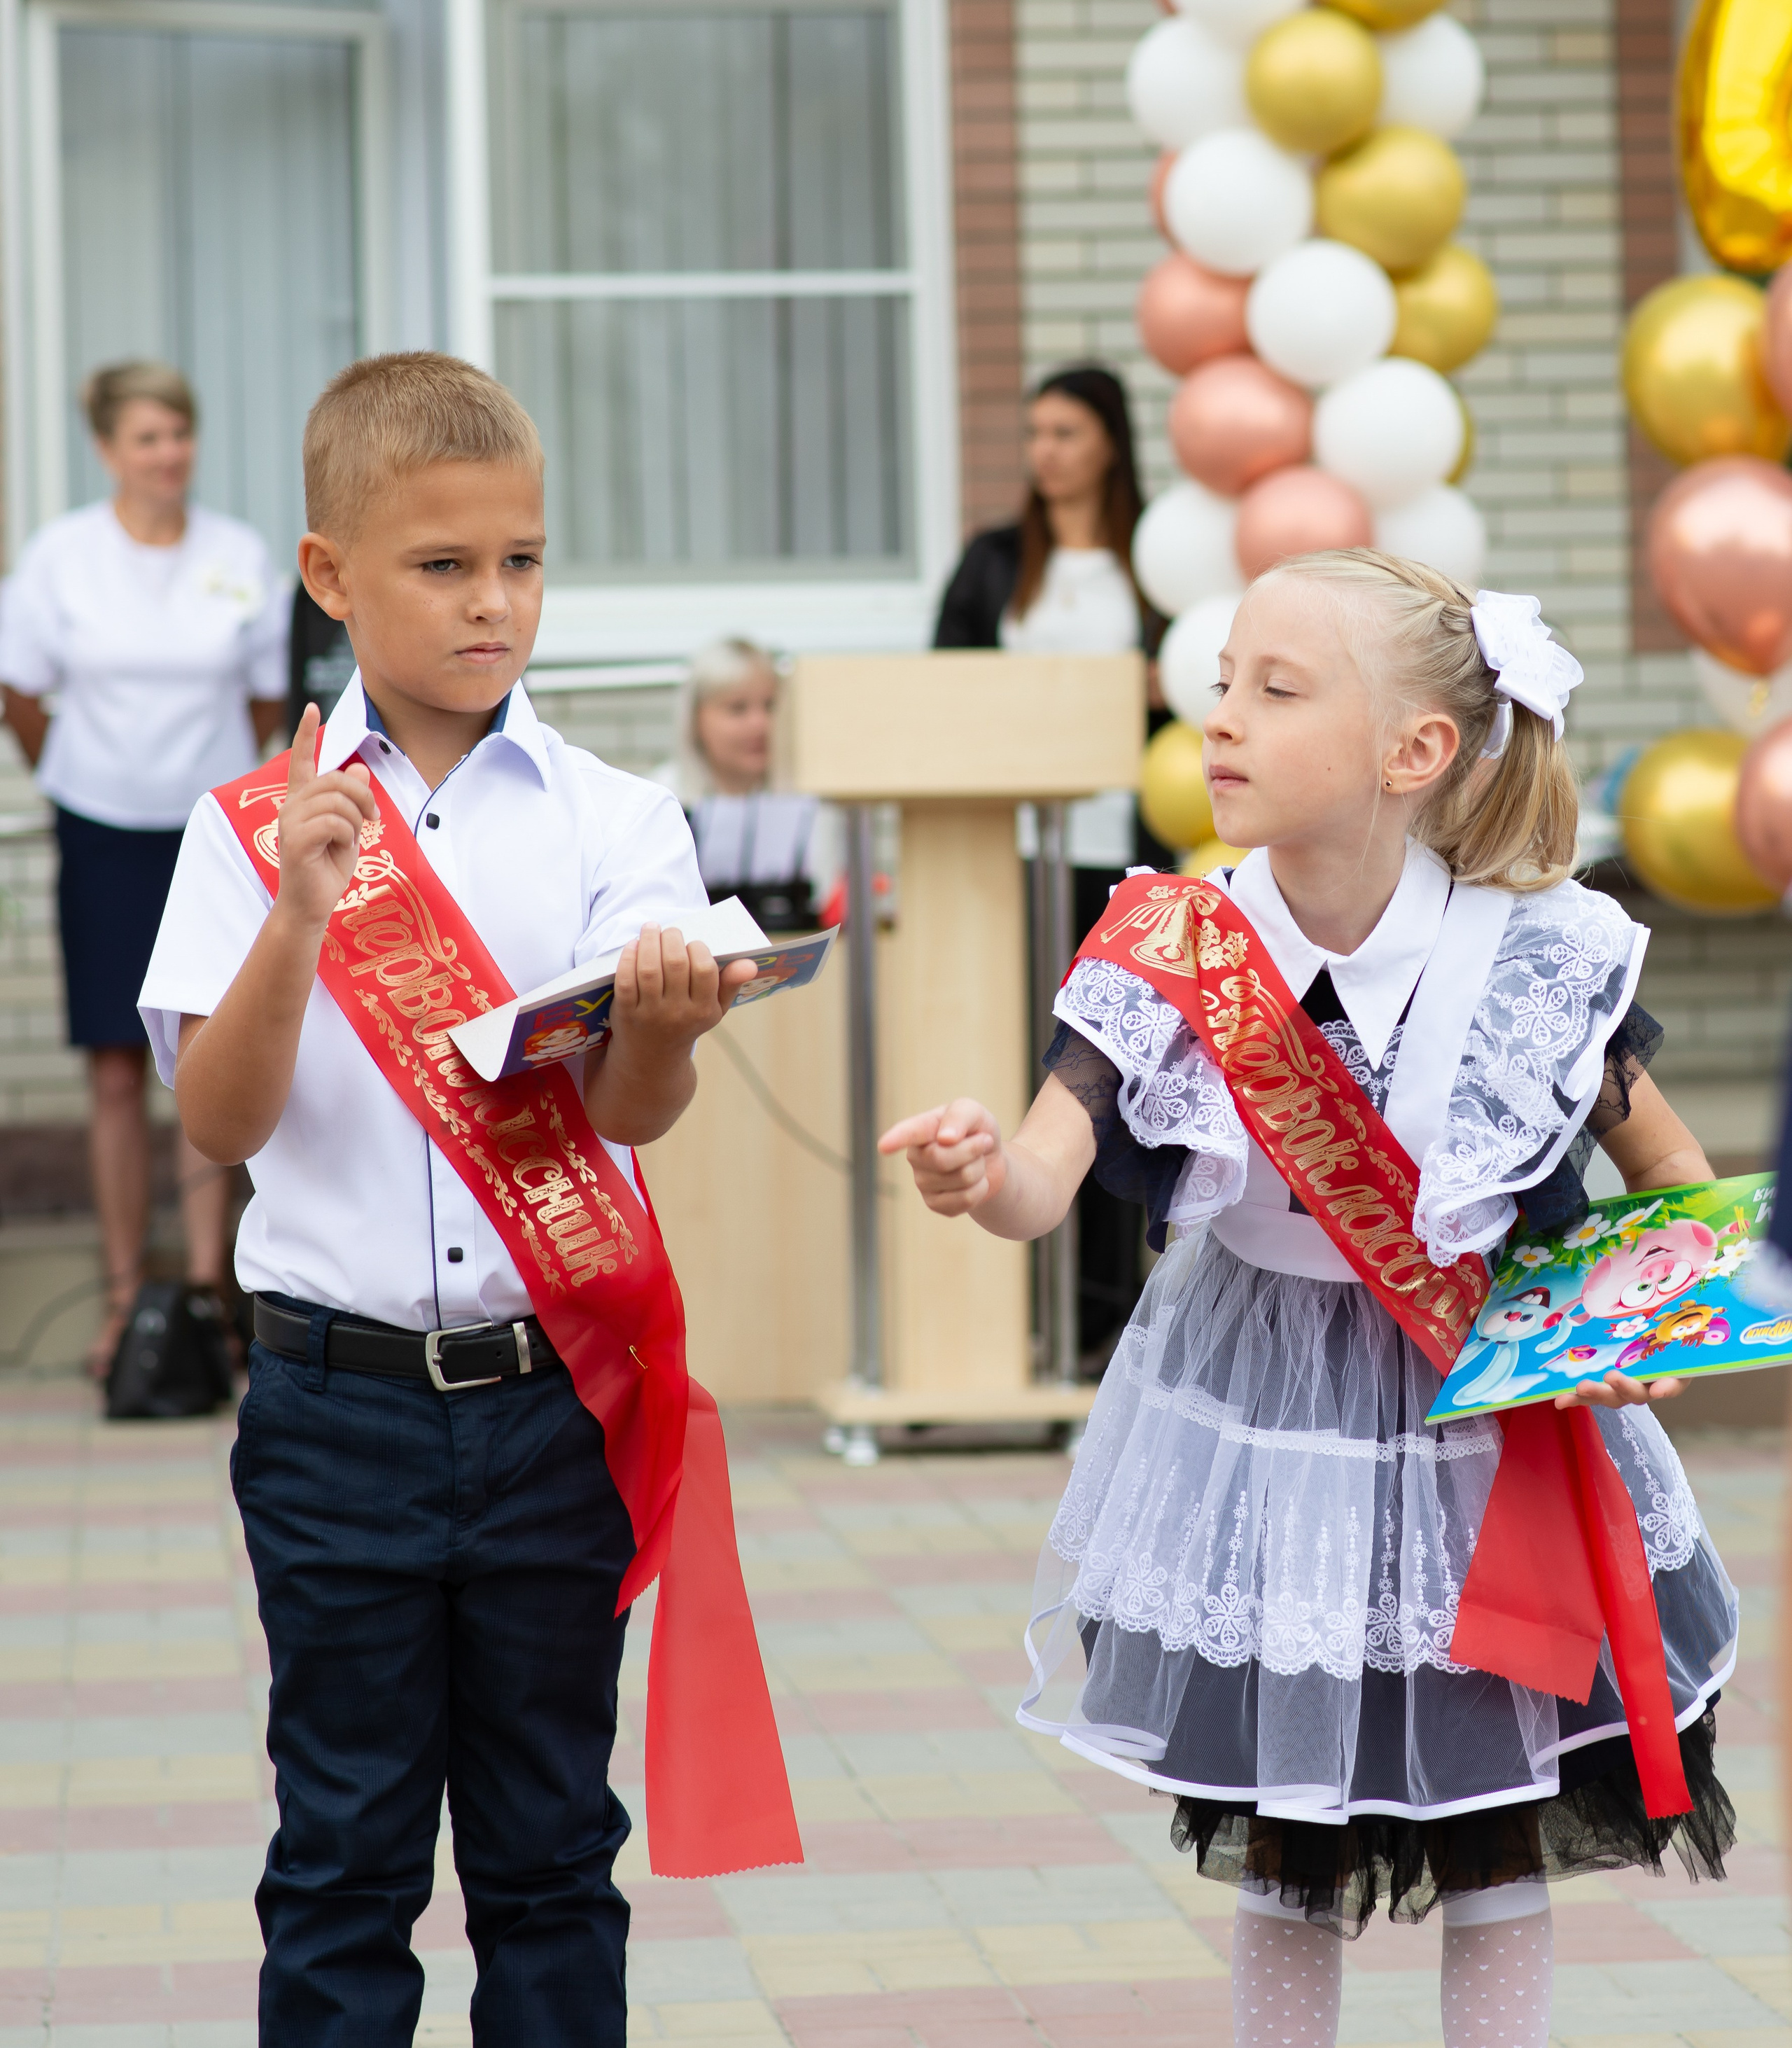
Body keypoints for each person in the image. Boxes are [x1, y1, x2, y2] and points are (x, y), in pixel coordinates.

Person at [881, 551, 1736, 2048]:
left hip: (1488, 1430)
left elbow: (1668, 1173)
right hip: (1264, 1428)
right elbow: (1037, 1178)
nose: (1220, 720)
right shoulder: (1165, 943)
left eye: (1274, 691)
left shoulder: (1534, 946)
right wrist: (973, 1173)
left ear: (1412, 753)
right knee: (1284, 1842)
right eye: (1219, 685)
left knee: (1491, 1834)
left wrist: (1639, 1329)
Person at [138, 352, 797, 2041]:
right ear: (329, 575)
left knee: (550, 1852)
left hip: (541, 1404)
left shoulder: (611, 816)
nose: (492, 600)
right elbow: (220, 1121)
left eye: (522, 559)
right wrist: (297, 913)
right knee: (344, 1855)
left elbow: (633, 1111)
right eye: (441, 565)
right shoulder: (249, 830)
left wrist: (657, 1025)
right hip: (330, 1402)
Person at [0, 360, 289, 1374]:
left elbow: (266, 701)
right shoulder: (60, 556)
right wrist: (75, 773)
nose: (167, 454)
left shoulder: (240, 552)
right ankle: (126, 1301)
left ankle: (209, 1293)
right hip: (101, 829)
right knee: (117, 1068)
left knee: (208, 1053)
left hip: (207, 836)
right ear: (107, 449)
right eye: (146, 438)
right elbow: (20, 688)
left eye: (180, 434)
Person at [934, 363, 1167, 1361]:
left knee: (1126, 1087)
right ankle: (1040, 1321)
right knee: (1047, 1086)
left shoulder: (1157, 559)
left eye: (1065, 432)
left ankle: (1113, 1316)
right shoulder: (995, 559)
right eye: (1034, 433)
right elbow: (947, 684)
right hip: (1016, 866)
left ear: (1109, 442)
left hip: (1132, 858)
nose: (1045, 453)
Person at [654, 636, 836, 933]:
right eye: (738, 709)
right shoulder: (660, 797)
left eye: (770, 705)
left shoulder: (813, 800)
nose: (760, 724)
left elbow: (828, 902)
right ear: (697, 719)